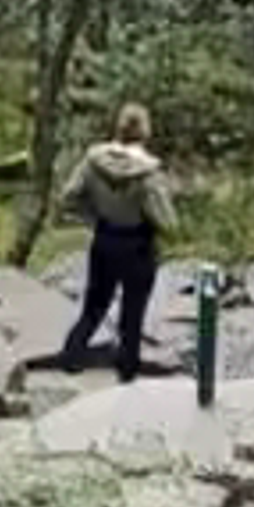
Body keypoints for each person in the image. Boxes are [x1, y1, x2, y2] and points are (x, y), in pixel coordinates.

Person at [62, 100, 165, 379]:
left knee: (94, 305)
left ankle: (71, 356)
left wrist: (92, 216)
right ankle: (127, 371)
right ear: (145, 131)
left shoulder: (93, 160)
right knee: (133, 313)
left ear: (118, 127)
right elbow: (166, 218)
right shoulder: (149, 171)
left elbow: (69, 196)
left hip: (105, 237)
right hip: (138, 244)